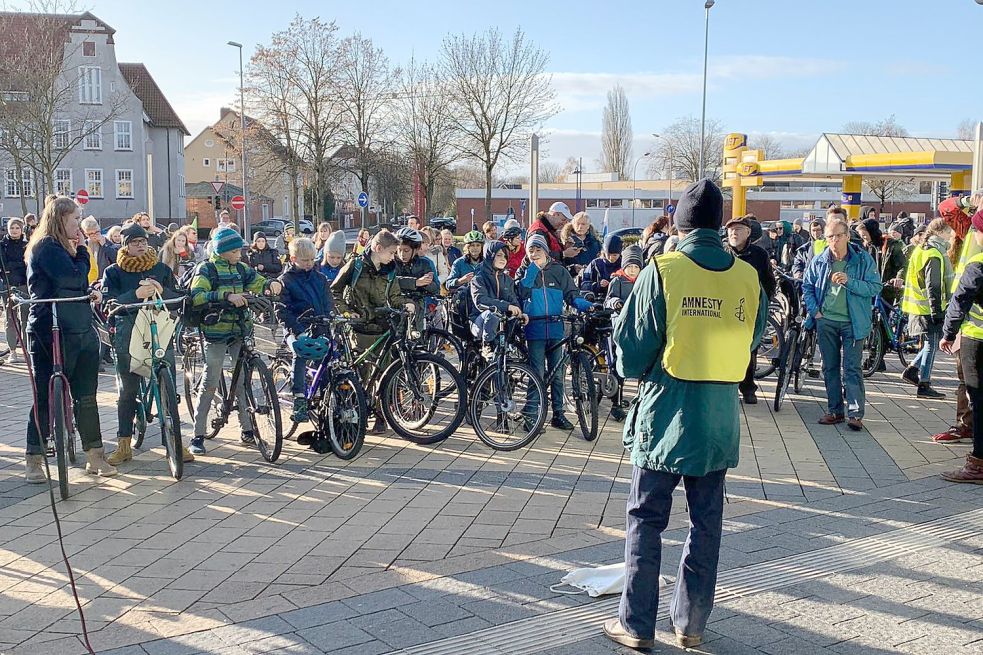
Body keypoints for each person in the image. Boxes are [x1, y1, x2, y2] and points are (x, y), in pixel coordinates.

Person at [603, 179, 767, 651]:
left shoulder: (665, 269)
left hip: (665, 418)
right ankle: (691, 623)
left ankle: (636, 625)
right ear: (719, 226)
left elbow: (631, 354)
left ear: (679, 223)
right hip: (718, 419)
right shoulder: (746, 276)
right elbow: (751, 340)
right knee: (706, 522)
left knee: (646, 519)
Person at [23, 197, 115, 482]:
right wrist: (84, 254)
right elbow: (72, 278)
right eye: (75, 218)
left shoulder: (66, 247)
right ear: (60, 218)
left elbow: (80, 284)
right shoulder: (46, 246)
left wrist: (93, 292)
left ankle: (95, 455)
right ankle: (34, 459)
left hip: (79, 327)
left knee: (86, 395)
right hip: (49, 330)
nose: (79, 224)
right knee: (44, 395)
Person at [101, 224, 193, 466]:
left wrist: (163, 290)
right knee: (128, 390)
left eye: (143, 241)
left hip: (159, 332)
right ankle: (123, 444)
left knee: (169, 386)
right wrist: (136, 296)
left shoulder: (161, 268)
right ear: (125, 245)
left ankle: (174, 441)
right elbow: (109, 305)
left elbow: (179, 297)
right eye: (134, 242)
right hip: (128, 334)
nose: (140, 245)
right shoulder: (113, 272)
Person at [187, 227, 283, 455]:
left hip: (241, 329)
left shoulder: (241, 268)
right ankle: (197, 434)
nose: (240, 252)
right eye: (236, 249)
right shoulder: (207, 269)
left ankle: (247, 429)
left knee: (242, 382)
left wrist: (271, 285)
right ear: (224, 251)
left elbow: (257, 281)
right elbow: (197, 296)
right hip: (216, 332)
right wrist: (226, 296)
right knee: (210, 379)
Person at [802, 215, 882, 431]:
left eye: (839, 235)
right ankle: (835, 410)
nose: (834, 240)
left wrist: (850, 282)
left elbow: (875, 287)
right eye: (830, 236)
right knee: (829, 367)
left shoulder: (862, 259)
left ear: (847, 236)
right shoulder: (819, 260)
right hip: (826, 320)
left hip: (853, 322)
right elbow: (807, 286)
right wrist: (815, 312)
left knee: (852, 368)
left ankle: (855, 414)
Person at [330, 229, 413, 433]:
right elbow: (334, 290)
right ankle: (355, 415)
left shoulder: (390, 270)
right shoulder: (356, 265)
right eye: (391, 252)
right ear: (378, 248)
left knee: (382, 375)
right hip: (359, 327)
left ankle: (380, 416)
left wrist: (407, 303)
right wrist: (347, 312)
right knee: (362, 374)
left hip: (382, 326)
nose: (394, 256)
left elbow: (394, 296)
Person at [517, 233, 593, 430]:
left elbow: (572, 294)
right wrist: (533, 270)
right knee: (537, 372)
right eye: (531, 250)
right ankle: (531, 415)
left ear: (546, 251)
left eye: (538, 250)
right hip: (534, 328)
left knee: (558, 374)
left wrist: (585, 305)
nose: (534, 254)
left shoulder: (559, 271)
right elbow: (520, 293)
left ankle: (558, 414)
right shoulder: (525, 270)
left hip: (557, 328)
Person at [277, 237, 333, 422]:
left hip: (318, 326)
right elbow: (283, 311)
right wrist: (298, 330)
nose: (309, 264)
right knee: (300, 353)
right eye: (305, 261)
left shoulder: (321, 279)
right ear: (293, 259)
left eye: (312, 260)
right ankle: (299, 398)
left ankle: (326, 394)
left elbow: (327, 304)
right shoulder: (286, 280)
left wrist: (329, 319)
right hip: (296, 329)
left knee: (329, 356)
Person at [724, 215, 777, 405]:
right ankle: (728, 388)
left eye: (738, 229)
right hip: (724, 308)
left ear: (748, 233)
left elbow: (769, 282)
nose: (733, 233)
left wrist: (764, 301)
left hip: (749, 308)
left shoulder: (759, 254)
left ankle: (748, 388)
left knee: (749, 350)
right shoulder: (722, 252)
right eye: (731, 230)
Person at [900, 218, 954, 399]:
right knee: (932, 344)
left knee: (931, 342)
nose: (950, 236)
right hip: (928, 307)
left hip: (918, 305)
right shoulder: (934, 254)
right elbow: (934, 286)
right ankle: (924, 383)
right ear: (939, 233)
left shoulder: (921, 250)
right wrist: (937, 311)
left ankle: (913, 370)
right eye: (948, 233)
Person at [603, 244, 644, 423]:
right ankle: (616, 403)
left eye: (636, 267)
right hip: (620, 326)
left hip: (639, 327)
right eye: (630, 267)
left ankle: (640, 400)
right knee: (619, 365)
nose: (633, 270)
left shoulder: (644, 281)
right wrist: (616, 303)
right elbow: (608, 300)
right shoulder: (618, 281)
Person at [470, 239, 524, 354]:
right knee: (492, 314)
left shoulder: (507, 280)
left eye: (505, 256)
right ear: (490, 256)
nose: (503, 259)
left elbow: (512, 299)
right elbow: (481, 301)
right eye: (499, 255)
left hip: (502, 322)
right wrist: (507, 306)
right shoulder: (478, 278)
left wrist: (519, 311)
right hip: (479, 322)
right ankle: (487, 346)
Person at [394, 227, 439, 327]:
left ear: (416, 250)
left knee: (418, 336)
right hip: (396, 305)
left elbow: (436, 288)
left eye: (406, 250)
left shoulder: (424, 263)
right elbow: (390, 281)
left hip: (418, 305)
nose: (402, 254)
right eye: (399, 250)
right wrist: (415, 282)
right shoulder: (391, 262)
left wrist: (427, 283)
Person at [0, 217, 29, 362]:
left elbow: (28, 265)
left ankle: (26, 350)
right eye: (12, 228)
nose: (14, 230)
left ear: (22, 229)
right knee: (10, 319)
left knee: (25, 318)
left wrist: (15, 267)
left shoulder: (27, 245)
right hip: (8, 286)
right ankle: (12, 351)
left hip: (24, 285)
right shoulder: (2, 245)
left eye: (17, 228)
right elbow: (4, 266)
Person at [80, 216, 119, 284]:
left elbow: (116, 259)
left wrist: (105, 246)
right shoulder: (83, 245)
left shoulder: (109, 244)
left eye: (97, 232)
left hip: (105, 281)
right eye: (91, 234)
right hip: (87, 281)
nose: (95, 235)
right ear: (86, 234)